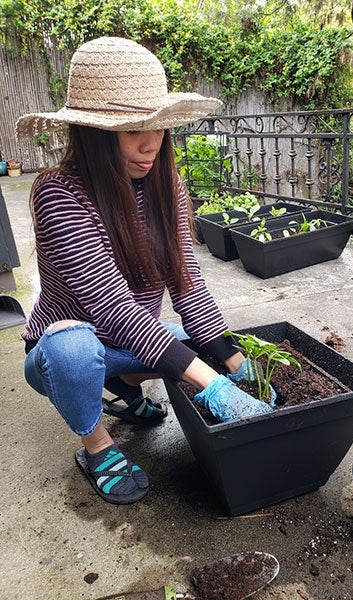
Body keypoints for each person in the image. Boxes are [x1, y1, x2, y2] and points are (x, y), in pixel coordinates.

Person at [16, 36, 272, 506]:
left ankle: (122, 386)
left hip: (124, 344)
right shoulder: (59, 193)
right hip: (62, 347)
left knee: (201, 348)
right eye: (131, 127)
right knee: (78, 352)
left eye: (155, 124)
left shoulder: (164, 183)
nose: (150, 142)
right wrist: (211, 385)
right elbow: (112, 308)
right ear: (92, 132)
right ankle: (97, 446)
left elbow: (187, 283)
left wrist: (234, 364)